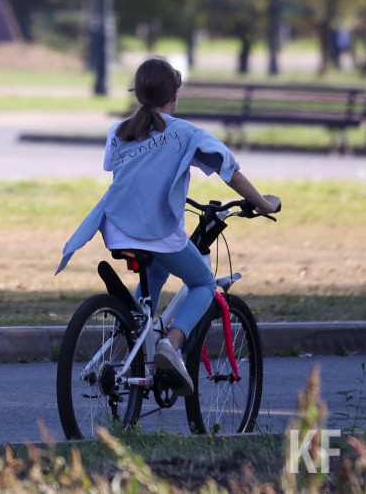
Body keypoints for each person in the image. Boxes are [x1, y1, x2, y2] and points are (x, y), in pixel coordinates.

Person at [55, 57, 279, 396]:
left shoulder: (119, 131)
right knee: (203, 282)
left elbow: (122, 169)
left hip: (115, 227)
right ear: (175, 96)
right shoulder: (186, 133)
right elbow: (228, 171)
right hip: (157, 231)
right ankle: (171, 345)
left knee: (156, 275)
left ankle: (125, 348)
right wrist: (263, 203)